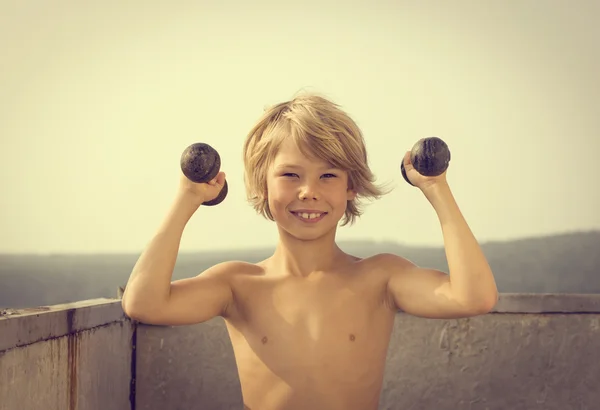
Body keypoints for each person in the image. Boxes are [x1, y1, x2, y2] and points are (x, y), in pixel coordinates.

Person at [121, 93, 498, 410]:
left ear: (351, 187)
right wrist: (188, 197)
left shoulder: (379, 278)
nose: (308, 191)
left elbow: (473, 297)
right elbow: (145, 303)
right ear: (261, 185)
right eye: (290, 175)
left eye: (328, 175)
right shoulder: (237, 284)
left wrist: (436, 189)